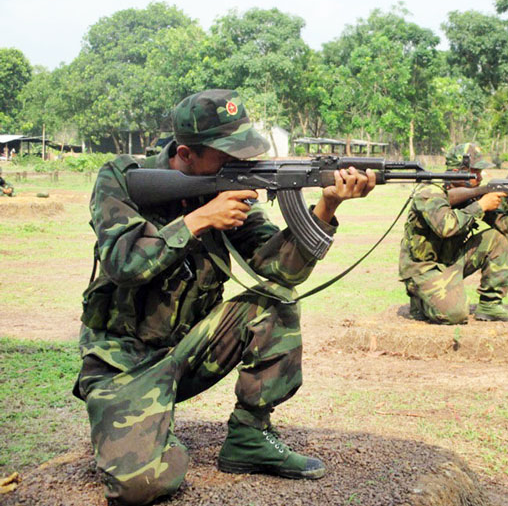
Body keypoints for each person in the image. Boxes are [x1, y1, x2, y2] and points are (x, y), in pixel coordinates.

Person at [73, 89, 375, 506]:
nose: (243, 162)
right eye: (228, 154)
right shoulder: (123, 178)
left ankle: (250, 436)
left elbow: (281, 270)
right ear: (186, 153)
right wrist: (198, 220)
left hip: (188, 350)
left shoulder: (229, 190)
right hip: (123, 363)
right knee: (140, 487)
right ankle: (148, 429)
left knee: (277, 298)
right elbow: (122, 263)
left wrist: (326, 206)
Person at [399, 143, 508, 325]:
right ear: (457, 172)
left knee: (495, 239)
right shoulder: (429, 193)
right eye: (475, 172)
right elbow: (446, 227)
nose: (480, 177)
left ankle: (490, 305)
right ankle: (420, 300)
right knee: (455, 315)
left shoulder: (472, 196)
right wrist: (481, 205)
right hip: (423, 268)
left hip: (451, 261)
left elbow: (505, 226)